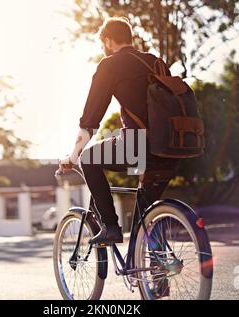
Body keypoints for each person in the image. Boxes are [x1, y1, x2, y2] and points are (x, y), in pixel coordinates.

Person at [59, 17, 179, 245]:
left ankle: (111, 227)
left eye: (103, 44)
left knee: (89, 159)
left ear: (107, 40)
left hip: (139, 146)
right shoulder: (155, 62)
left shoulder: (110, 65)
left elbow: (90, 121)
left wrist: (72, 156)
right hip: (171, 147)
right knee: (145, 217)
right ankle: (154, 271)